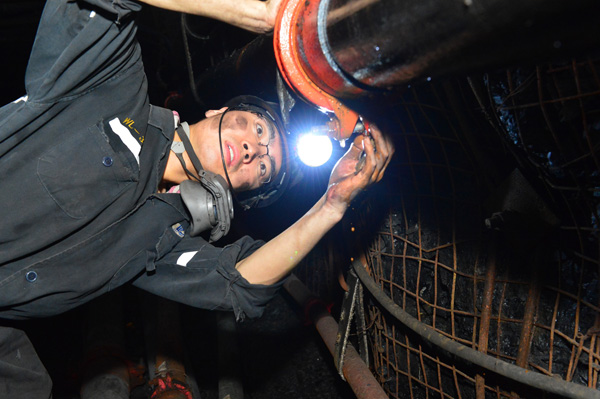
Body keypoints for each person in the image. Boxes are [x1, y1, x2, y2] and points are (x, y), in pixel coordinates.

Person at [0, 0, 393, 397]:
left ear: (239, 193)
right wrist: (268, 15)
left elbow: (240, 284)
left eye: (263, 169)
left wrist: (332, 205)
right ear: (218, 110)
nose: (255, 151)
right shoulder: (112, 87)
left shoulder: (160, 241)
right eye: (257, 129)